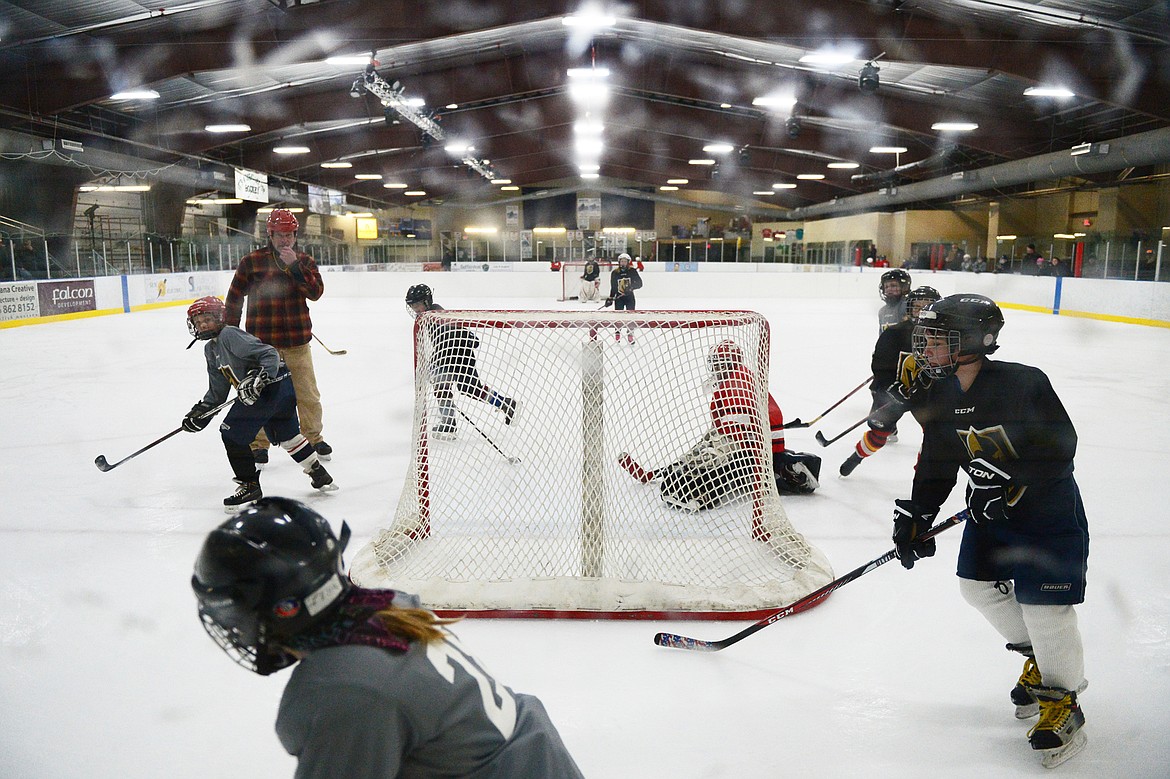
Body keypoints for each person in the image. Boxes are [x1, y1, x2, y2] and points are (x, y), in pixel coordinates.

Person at [191, 497, 585, 778]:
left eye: (235, 611)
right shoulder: (385, 606)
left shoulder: (343, 691)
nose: (233, 626)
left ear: (286, 607)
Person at [888, 293, 1090, 769]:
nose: (929, 346)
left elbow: (1061, 447)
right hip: (989, 514)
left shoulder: (1023, 383)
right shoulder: (937, 392)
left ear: (978, 342)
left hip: (1046, 514)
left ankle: (1064, 702)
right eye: (929, 337)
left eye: (941, 338)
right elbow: (938, 458)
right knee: (977, 588)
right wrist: (919, 511)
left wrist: (1010, 481)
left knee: (1046, 609)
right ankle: (1041, 657)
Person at [618, 340, 820, 509]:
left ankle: (701, 491)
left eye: (718, 362)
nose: (714, 367)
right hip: (759, 445)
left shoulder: (736, 383)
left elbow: (737, 437)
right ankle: (781, 467)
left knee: (713, 470)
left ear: (728, 363)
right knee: (705, 461)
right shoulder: (738, 378)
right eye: (713, 362)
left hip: (753, 450)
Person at [183, 296, 336, 509]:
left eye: (207, 319)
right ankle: (318, 473)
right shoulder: (211, 350)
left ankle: (249, 485)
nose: (202, 325)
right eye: (198, 322)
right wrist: (200, 412)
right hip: (279, 389)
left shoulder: (229, 334)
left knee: (231, 432)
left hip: (269, 389)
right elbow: (218, 392)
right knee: (288, 435)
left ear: (220, 317)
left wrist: (259, 377)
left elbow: (270, 354)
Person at [224, 208, 332, 468]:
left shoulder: (304, 261)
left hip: (297, 343)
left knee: (307, 395)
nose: (285, 240)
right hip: (262, 346)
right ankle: (258, 445)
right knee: (258, 395)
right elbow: (235, 298)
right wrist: (229, 333)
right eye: (280, 235)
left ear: (295, 235)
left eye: (289, 235)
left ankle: (313, 438)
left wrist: (294, 266)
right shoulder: (252, 262)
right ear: (270, 235)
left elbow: (315, 292)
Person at [840, 286, 941, 477]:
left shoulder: (943, 338)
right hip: (893, 395)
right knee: (878, 436)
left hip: (925, 398)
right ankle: (857, 457)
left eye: (927, 307)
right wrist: (890, 388)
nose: (921, 311)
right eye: (917, 307)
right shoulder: (894, 334)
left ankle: (920, 476)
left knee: (934, 436)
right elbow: (879, 365)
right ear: (909, 309)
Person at [405, 284, 517, 438]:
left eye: (417, 305)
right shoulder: (427, 316)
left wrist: (434, 364)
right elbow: (442, 342)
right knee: (442, 387)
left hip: (460, 354)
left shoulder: (436, 313)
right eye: (412, 306)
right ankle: (449, 423)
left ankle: (505, 403)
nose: (415, 309)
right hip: (447, 354)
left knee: (470, 390)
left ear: (427, 301)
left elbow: (451, 336)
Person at [605, 253, 643, 343]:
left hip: (629, 297)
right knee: (618, 317)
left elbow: (640, 284)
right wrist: (610, 297)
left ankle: (630, 335)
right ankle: (617, 334)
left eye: (625, 261)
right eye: (621, 261)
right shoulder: (615, 273)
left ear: (628, 262)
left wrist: (631, 287)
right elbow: (613, 287)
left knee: (630, 317)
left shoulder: (632, 271)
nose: (623, 263)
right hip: (619, 298)